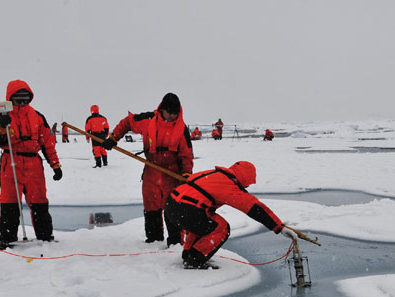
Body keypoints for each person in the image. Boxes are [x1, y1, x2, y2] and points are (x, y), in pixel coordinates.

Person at [102, 93, 193, 246]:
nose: (172, 117)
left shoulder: (182, 129)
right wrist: (113, 138)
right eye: (169, 113)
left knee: (173, 209)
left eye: (175, 114)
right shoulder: (148, 120)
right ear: (162, 109)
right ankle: (154, 242)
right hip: (151, 170)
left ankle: (176, 245)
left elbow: (187, 155)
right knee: (152, 208)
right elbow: (127, 122)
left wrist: (186, 174)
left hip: (172, 174)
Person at [164, 161, 289, 268]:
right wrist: (278, 227)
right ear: (244, 178)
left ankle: (188, 255)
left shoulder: (213, 174)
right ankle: (196, 259)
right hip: (188, 210)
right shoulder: (229, 186)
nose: (246, 187)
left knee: (203, 224)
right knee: (221, 228)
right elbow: (255, 208)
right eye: (247, 184)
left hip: (171, 206)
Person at [0, 80, 63, 249]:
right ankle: (7, 238)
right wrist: (0, 128)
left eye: (25, 98)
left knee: (39, 201)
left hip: (34, 163)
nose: (22, 102)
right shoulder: (0, 117)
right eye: (18, 99)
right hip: (10, 161)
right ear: (10, 98)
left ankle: (45, 237)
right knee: (9, 202)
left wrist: (55, 165)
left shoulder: (38, 117)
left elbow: (47, 144)